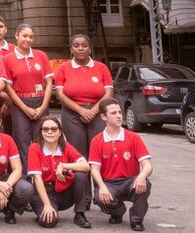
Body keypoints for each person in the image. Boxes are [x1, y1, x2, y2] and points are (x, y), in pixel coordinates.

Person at [88, 99, 153, 232]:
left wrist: (142, 176)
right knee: (99, 197)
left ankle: (136, 220)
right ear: (103, 117)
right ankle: (118, 212)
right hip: (110, 183)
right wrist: (102, 187)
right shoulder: (97, 140)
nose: (118, 115)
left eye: (119, 112)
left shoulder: (133, 137)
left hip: (130, 181)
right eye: (113, 113)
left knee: (144, 184)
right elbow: (94, 170)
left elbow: (147, 165)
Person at [3, 23, 53, 171]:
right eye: (25, 36)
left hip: (40, 100)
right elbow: (8, 87)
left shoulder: (41, 55)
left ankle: (43, 173)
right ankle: (25, 175)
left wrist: (44, 106)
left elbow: (49, 82)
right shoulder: (8, 58)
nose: (28, 39)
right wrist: (23, 107)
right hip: (20, 103)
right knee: (22, 141)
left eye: (31, 37)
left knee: (43, 139)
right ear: (17, 36)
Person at [54, 34, 114, 157]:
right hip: (72, 115)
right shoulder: (63, 68)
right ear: (71, 49)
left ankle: (98, 176)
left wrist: (92, 111)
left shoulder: (102, 68)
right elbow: (60, 95)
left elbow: (109, 93)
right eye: (76, 46)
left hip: (97, 114)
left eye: (84, 46)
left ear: (90, 49)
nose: (80, 49)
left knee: (99, 149)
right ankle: (81, 176)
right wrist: (81, 111)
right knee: (77, 151)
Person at [27, 116, 91, 229]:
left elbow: (86, 166)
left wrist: (64, 165)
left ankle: (79, 214)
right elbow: (37, 178)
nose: (50, 132)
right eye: (45, 129)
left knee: (80, 175)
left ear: (60, 132)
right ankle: (44, 211)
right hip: (44, 193)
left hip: (63, 193)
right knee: (49, 222)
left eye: (54, 129)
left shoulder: (66, 147)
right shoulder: (35, 148)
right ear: (41, 132)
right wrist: (46, 205)